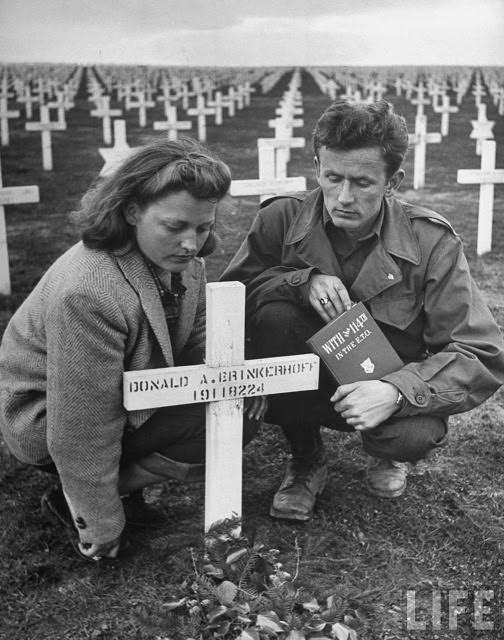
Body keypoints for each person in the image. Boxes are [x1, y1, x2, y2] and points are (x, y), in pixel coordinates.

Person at [221, 99, 504, 522]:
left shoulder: (430, 242)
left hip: (380, 381)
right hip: (301, 380)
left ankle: (387, 455)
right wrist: (299, 282)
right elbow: (229, 300)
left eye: (363, 182)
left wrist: (397, 391)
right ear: (317, 165)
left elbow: (479, 350)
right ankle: (306, 455)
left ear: (393, 181)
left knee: (416, 433)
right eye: (332, 177)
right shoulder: (281, 219)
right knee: (275, 318)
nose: (344, 197)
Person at [0, 137, 266, 560]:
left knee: (232, 412)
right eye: (176, 226)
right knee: (203, 422)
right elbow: (81, 425)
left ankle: (119, 487)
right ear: (131, 211)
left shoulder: (181, 261)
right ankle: (76, 502)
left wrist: (239, 376)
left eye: (203, 227)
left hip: (123, 389)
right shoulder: (88, 292)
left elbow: (195, 330)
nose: (192, 244)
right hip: (47, 417)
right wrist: (99, 522)